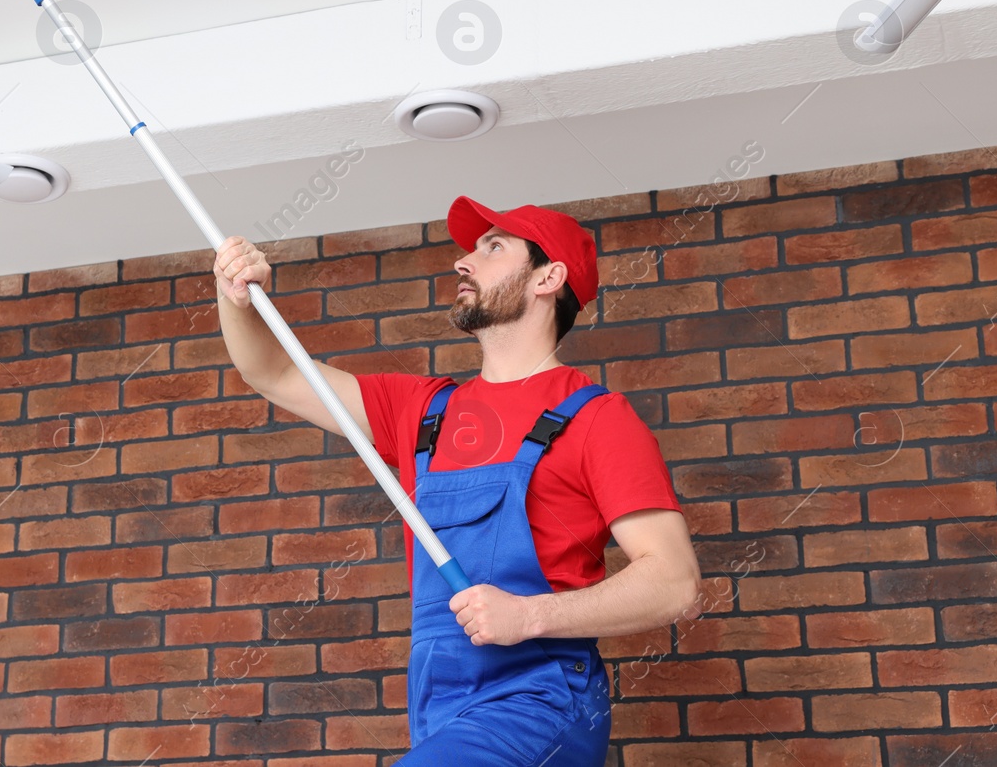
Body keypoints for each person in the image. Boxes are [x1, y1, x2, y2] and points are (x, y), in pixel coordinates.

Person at [214, 195, 702, 765]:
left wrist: (529, 615)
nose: (463, 262)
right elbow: (269, 371)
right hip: (436, 700)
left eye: (493, 247)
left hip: (538, 697)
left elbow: (675, 584)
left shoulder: (596, 418)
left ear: (549, 277)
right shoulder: (423, 410)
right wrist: (239, 299)